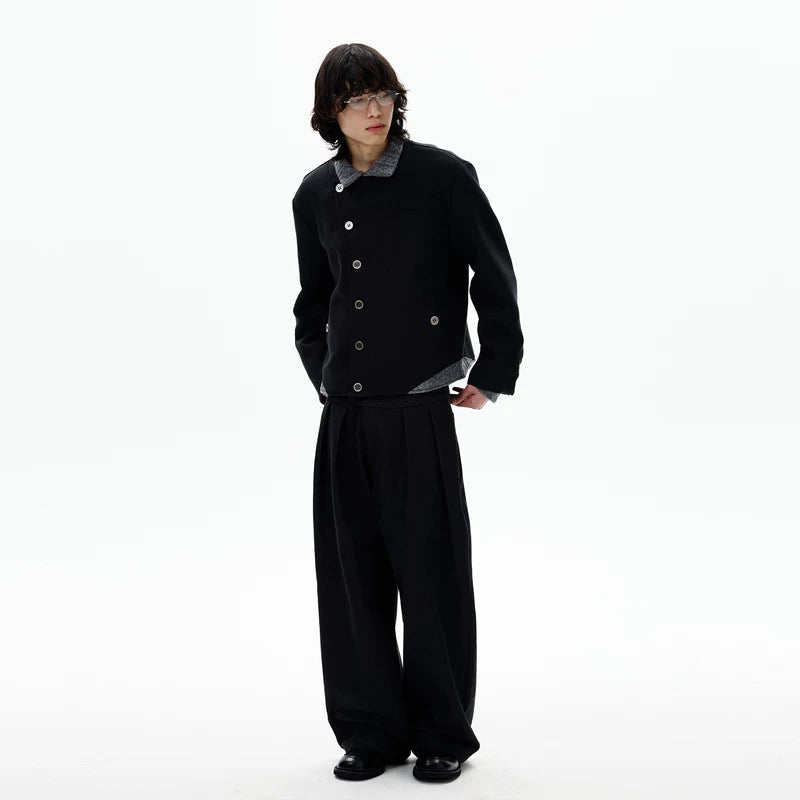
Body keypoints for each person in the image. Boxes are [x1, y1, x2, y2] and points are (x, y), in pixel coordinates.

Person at [291, 42, 523, 784]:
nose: (374, 109)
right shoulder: (314, 194)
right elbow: (312, 303)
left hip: (419, 406)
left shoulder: (442, 177)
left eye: (383, 93)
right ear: (330, 112)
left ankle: (442, 733)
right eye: (356, 98)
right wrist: (324, 375)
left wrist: (492, 372)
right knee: (351, 583)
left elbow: (494, 277)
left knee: (431, 578)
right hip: (345, 413)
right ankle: (369, 732)